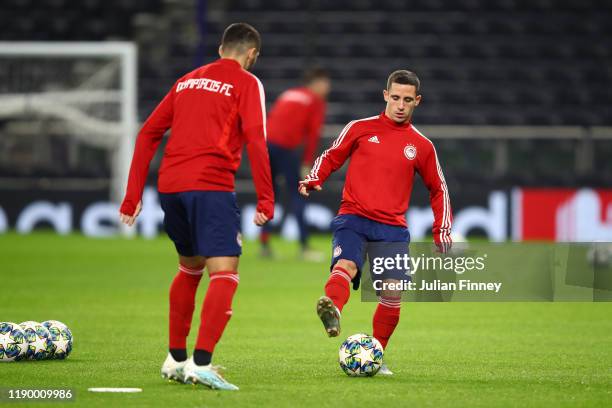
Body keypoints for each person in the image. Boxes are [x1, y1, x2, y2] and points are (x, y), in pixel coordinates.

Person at [118, 23, 274, 391]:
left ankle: (174, 358)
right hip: (211, 185)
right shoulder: (248, 83)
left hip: (171, 186)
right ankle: (201, 364)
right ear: (251, 54)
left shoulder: (186, 80)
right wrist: (266, 197)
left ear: (221, 48)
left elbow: (148, 133)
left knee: (190, 268)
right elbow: (255, 138)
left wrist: (132, 195)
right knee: (224, 271)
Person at [299, 70, 452, 375]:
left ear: (417, 102)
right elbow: (331, 156)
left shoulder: (421, 146)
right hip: (353, 217)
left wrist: (442, 228)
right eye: (395, 97)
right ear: (385, 95)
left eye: (407, 100)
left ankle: (376, 354)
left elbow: (439, 188)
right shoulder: (359, 128)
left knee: (393, 291)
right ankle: (333, 310)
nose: (400, 104)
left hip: (392, 229)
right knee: (346, 266)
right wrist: (315, 177)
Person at [260, 68, 330, 260]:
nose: (327, 87)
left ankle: (264, 244)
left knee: (269, 194)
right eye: (324, 83)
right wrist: (307, 161)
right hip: (286, 149)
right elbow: (314, 134)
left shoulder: (289, 93)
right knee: (298, 194)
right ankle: (304, 247)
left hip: (266, 145)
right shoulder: (316, 101)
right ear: (314, 83)